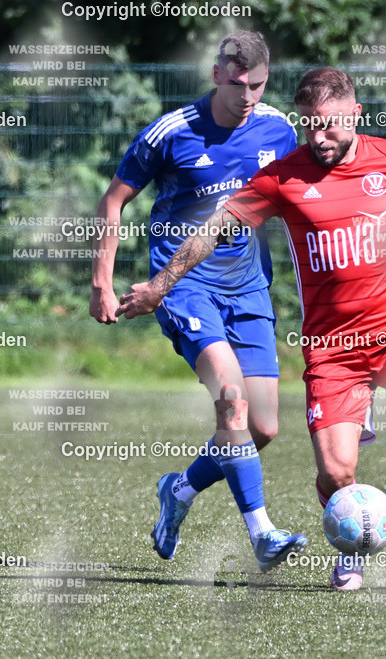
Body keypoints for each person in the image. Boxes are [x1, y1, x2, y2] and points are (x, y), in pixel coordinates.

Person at [115, 66, 386, 590]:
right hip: (334, 353)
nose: (318, 137)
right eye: (308, 125)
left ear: (355, 114)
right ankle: (352, 547)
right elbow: (214, 228)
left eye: (328, 124)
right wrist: (160, 286)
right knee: (335, 473)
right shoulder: (284, 177)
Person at [90, 31, 306, 572]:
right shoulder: (174, 131)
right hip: (183, 285)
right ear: (216, 76)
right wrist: (102, 281)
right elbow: (114, 199)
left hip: (250, 286)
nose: (247, 95)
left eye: (257, 84)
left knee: (262, 428)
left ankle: (179, 489)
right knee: (230, 399)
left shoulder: (280, 130)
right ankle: (262, 532)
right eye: (237, 84)